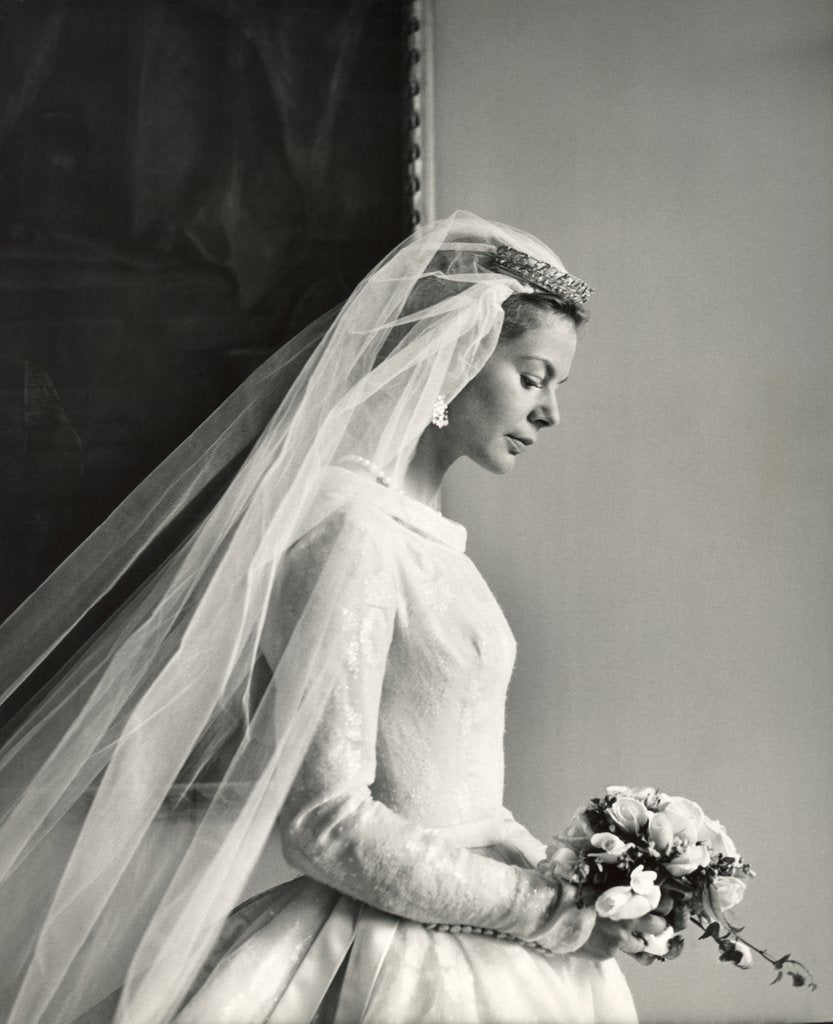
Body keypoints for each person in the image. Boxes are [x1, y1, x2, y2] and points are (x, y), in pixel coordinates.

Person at [0, 212, 659, 1024]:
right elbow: (325, 822)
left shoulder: (430, 540)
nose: (551, 411)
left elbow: (451, 779)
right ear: (454, 361)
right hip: (390, 961)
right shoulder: (346, 531)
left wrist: (575, 879)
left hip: (485, 932)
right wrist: (540, 910)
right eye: (533, 376)